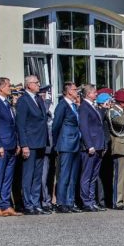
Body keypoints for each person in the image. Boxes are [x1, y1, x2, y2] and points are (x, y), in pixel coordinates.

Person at [15, 75, 50, 215]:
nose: (38, 84)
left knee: (38, 175)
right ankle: (28, 204)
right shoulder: (24, 101)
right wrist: (24, 145)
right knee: (28, 175)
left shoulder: (38, 99)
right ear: (28, 85)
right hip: (30, 143)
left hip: (41, 142)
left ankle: (36, 203)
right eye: (36, 83)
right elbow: (21, 125)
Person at [0, 77, 21, 216]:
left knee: (8, 177)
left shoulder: (7, 103)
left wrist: (17, 143)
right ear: (0, 88)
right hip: (2, 145)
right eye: (8, 86)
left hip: (12, 145)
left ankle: (5, 203)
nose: (11, 88)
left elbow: (13, 125)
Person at [52, 82, 83, 213]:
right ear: (69, 91)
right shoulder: (62, 105)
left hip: (76, 143)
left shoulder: (74, 106)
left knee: (73, 175)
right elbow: (56, 126)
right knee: (64, 174)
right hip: (65, 143)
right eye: (75, 90)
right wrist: (57, 143)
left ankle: (70, 202)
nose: (77, 92)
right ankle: (61, 202)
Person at [78, 85, 105, 212]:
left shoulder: (93, 106)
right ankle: (86, 201)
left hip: (98, 145)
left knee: (94, 175)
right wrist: (89, 145)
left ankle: (92, 200)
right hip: (91, 146)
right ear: (88, 94)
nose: (96, 94)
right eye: (94, 92)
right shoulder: (84, 107)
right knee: (87, 175)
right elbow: (84, 127)